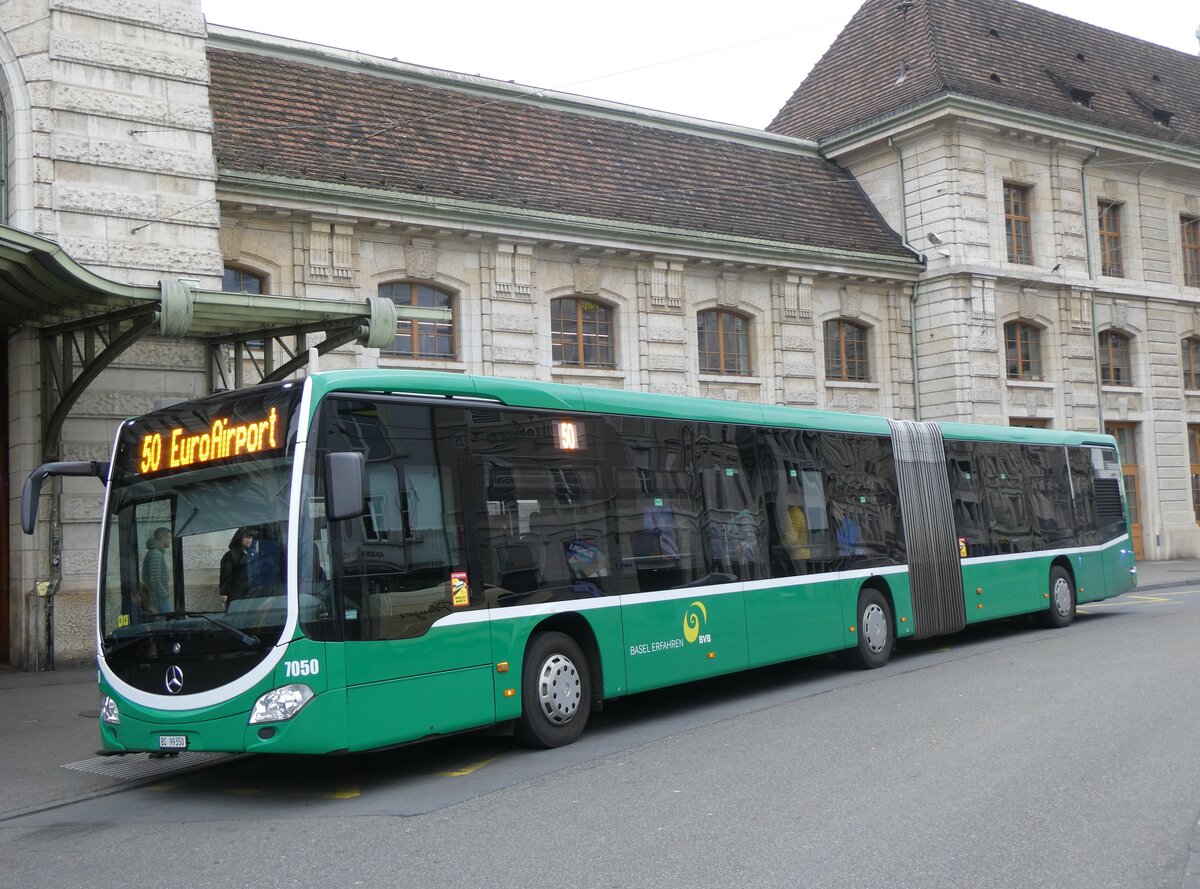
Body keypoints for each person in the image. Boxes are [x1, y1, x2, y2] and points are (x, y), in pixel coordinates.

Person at [220, 528, 253, 609]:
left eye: (251, 537)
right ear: (239, 538)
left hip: (250, 592)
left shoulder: (251, 554)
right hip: (236, 592)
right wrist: (224, 593)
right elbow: (226, 574)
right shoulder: (230, 555)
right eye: (246, 537)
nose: (249, 540)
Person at [142, 526, 172, 613]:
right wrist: (163, 596)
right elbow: (154, 580)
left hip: (157, 598)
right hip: (158, 599)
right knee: (165, 624)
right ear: (163, 538)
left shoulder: (156, 553)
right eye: (169, 537)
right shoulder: (155, 554)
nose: (170, 540)